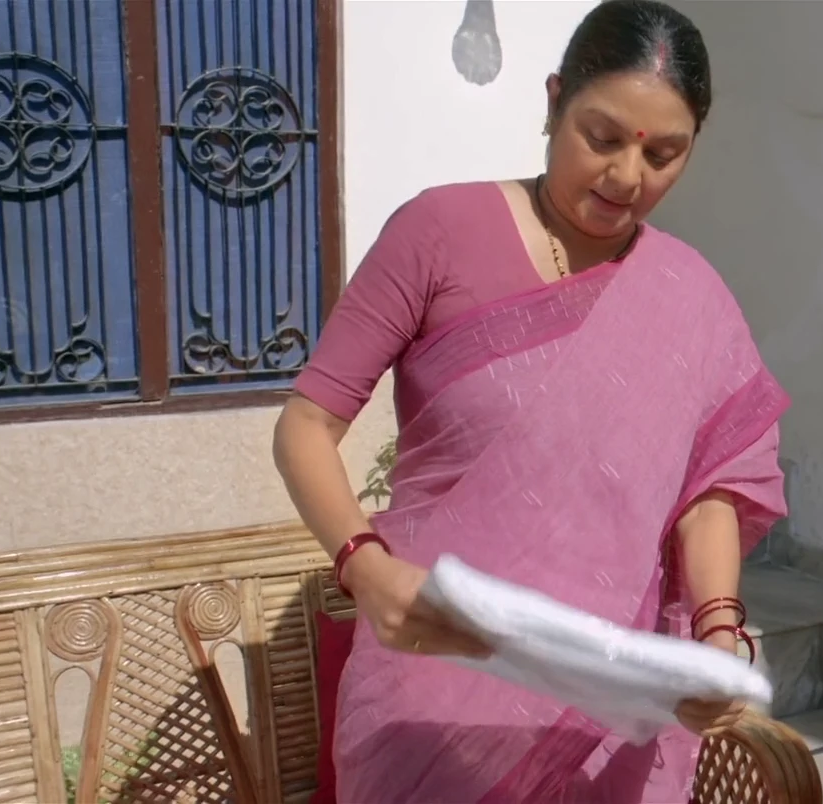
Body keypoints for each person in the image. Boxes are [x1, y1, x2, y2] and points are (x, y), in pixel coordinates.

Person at [270, 2, 787, 800]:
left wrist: (718, 631)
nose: (626, 177)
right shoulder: (437, 232)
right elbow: (305, 426)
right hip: (434, 683)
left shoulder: (692, 294)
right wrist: (365, 570)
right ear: (553, 101)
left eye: (663, 154)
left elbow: (710, 488)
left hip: (609, 715)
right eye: (601, 138)